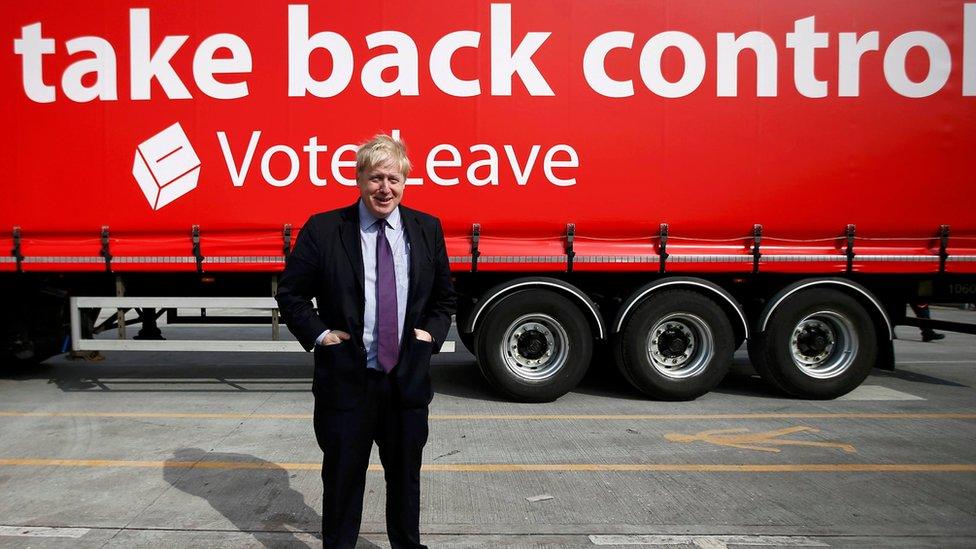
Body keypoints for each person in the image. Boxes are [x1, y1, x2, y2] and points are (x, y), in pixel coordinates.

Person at [275, 134, 456, 549]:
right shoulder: (324, 229)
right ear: (359, 179)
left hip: (405, 380)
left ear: (406, 181)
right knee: (341, 480)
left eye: (393, 178)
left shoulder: (427, 229)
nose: (385, 188)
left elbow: (444, 299)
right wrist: (321, 335)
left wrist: (429, 337)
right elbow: (291, 294)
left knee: (406, 479)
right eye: (376, 178)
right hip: (346, 383)